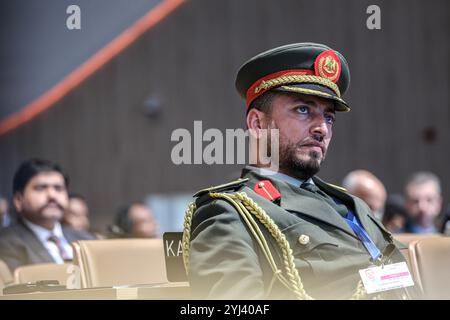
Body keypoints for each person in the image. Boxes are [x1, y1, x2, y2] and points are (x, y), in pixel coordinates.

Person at [183, 43, 413, 300]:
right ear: (258, 124)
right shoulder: (231, 211)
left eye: (328, 117)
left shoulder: (351, 203)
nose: (322, 129)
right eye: (303, 110)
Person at [0, 158, 96, 272]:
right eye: (40, 188)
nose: (52, 195)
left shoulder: (87, 239)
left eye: (58, 188)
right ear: (18, 200)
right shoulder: (6, 244)